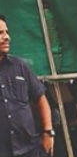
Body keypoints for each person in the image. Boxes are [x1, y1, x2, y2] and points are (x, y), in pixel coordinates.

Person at [0, 15, 54, 157]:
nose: (7, 37)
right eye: (0, 33)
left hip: (30, 149)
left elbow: (41, 99)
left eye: (7, 32)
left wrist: (48, 132)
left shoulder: (21, 66)